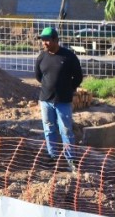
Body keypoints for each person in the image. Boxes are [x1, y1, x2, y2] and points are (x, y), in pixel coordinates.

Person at [34, 26, 83, 169]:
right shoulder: (41, 57)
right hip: (45, 100)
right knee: (49, 129)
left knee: (66, 130)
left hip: (63, 101)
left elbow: (78, 77)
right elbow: (38, 76)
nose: (44, 43)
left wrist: (69, 88)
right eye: (43, 40)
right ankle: (52, 155)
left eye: (47, 40)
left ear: (55, 40)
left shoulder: (68, 57)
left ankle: (71, 159)